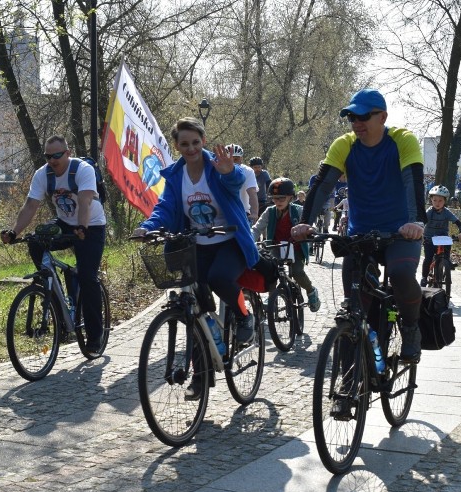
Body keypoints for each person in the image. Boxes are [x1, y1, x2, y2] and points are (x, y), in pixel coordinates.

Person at [290, 88, 427, 363]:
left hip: (400, 232)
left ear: (383, 117)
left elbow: (413, 180)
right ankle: (349, 384)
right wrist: (305, 223)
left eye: (364, 116)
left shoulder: (402, 140)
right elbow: (323, 184)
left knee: (400, 274)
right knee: (354, 308)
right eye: (351, 117)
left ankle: (411, 328)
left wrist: (415, 221)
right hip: (360, 233)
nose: (356, 123)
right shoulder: (344, 144)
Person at [133, 118, 260, 399]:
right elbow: (165, 207)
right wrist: (149, 227)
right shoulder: (176, 175)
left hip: (230, 240)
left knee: (218, 278)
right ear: (177, 146)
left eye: (195, 142)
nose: (190, 148)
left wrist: (229, 173)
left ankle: (243, 316)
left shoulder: (218, 166)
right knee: (195, 309)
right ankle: (201, 379)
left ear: (203, 141)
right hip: (196, 244)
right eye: (184, 143)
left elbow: (234, 180)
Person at [0, 135, 107, 354]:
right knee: (36, 241)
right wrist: (14, 232)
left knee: (88, 278)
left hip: (91, 225)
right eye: (49, 156)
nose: (53, 160)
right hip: (65, 222)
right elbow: (30, 206)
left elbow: (85, 201)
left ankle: (95, 337)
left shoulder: (82, 170)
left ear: (67, 153)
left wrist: (83, 228)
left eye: (57, 155)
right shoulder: (43, 174)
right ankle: (53, 295)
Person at [251, 177, 321, 312]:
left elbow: (310, 226)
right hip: (276, 247)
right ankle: (272, 297)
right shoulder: (269, 211)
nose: (277, 202)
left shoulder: (299, 210)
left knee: (297, 272)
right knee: (270, 270)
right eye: (274, 198)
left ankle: (311, 291)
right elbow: (257, 228)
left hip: (295, 247)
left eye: (281, 198)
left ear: (291, 197)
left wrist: (311, 232)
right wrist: (248, 239)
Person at [421, 185, 461, 286]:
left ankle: (446, 260)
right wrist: (419, 231)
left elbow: (459, 223)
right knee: (428, 258)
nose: (437, 203)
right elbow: (422, 221)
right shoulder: (429, 212)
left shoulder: (446, 213)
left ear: (445, 201)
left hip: (442, 238)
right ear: (431, 200)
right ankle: (424, 277)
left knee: (447, 244)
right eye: (435, 200)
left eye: (440, 200)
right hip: (429, 238)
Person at [226, 144, 259, 222]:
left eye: (236, 159)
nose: (232, 162)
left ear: (241, 159)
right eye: (229, 159)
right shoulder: (218, 170)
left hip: (242, 212)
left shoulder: (247, 171)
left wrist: (254, 213)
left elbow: (252, 192)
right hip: (223, 213)